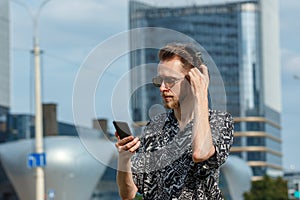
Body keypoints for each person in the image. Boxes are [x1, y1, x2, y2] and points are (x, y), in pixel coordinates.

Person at [115, 43, 234, 200]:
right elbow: (128, 193)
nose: (162, 88)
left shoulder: (219, 121)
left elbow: (200, 153)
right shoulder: (156, 127)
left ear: (193, 79)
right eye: (160, 80)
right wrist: (124, 158)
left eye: (170, 80)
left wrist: (201, 93)